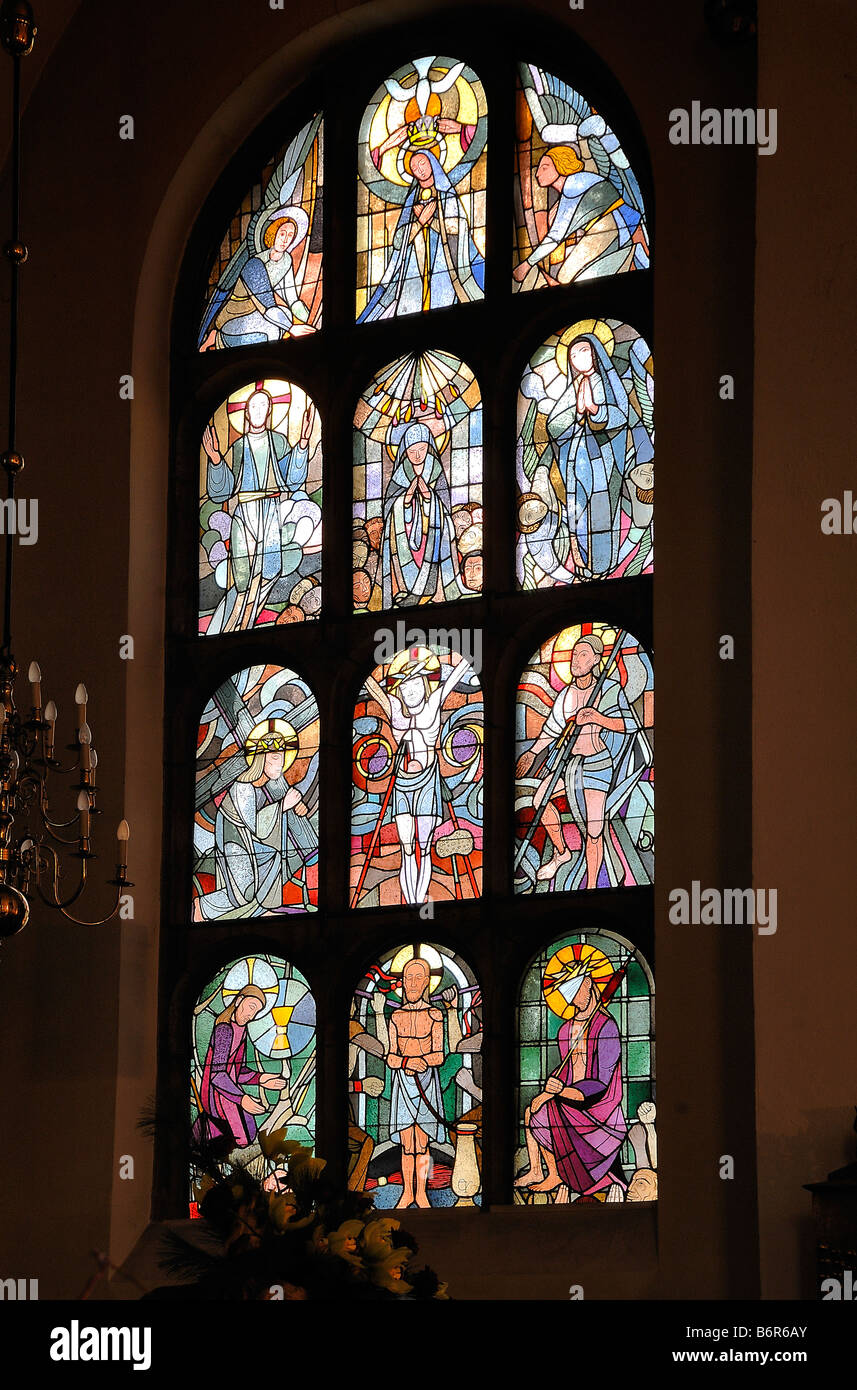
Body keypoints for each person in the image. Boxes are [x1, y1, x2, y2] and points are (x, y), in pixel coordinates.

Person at [516, 633, 634, 888]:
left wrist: (597, 717)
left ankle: (592, 887)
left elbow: (629, 724)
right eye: (574, 654)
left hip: (596, 764)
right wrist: (533, 752)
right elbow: (551, 729)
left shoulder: (608, 689)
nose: (575, 660)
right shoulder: (566, 695)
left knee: (594, 830)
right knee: (540, 799)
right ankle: (562, 852)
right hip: (568, 764)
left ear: (595, 660)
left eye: (582, 655)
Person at [203, 388, 320, 633]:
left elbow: (292, 480)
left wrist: (303, 444)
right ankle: (232, 623)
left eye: (263, 407)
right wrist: (215, 459)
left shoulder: (277, 441)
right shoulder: (238, 447)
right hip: (244, 514)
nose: (258, 411)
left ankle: (249, 620)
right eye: (253, 407)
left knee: (270, 569)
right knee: (243, 578)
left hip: (271, 513)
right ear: (246, 413)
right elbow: (222, 492)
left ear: (269, 412)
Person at [364, 648, 472, 904]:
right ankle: (410, 901)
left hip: (427, 782)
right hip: (401, 783)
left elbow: (455, 677)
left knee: (423, 848)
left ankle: (419, 900)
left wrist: (472, 652)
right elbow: (370, 685)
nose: (409, 690)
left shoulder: (434, 702)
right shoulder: (393, 707)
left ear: (425, 684)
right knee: (406, 848)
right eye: (403, 685)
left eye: (415, 683)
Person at [514, 968, 627, 1199]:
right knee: (531, 1111)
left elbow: (602, 1081)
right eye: (569, 996)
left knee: (550, 1111)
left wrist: (564, 1092)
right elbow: (566, 1070)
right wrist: (546, 1093)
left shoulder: (607, 1027)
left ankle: (582, 1176)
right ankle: (542, 1171)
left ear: (588, 983)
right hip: (568, 1096)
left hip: (597, 1104)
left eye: (576, 992)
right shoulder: (566, 1030)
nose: (574, 1001)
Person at [193, 720, 316, 919]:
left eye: (282, 758)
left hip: (246, 837)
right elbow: (257, 828)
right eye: (275, 758)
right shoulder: (243, 788)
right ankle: (201, 908)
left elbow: (265, 824)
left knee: (273, 855)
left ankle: (266, 905)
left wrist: (288, 806)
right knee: (242, 893)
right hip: (233, 837)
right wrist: (283, 806)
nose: (281, 764)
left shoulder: (259, 787)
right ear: (261, 760)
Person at [359, 149, 484, 321]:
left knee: (444, 305)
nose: (420, 169)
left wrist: (430, 221)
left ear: (432, 162)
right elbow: (398, 240)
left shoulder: (447, 194)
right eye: (414, 168)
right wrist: (418, 223)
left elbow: (458, 228)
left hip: (445, 266)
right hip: (414, 268)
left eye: (422, 163)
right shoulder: (411, 200)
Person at [544, 333, 630, 579]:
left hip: (604, 459)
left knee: (600, 506)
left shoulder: (608, 382)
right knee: (577, 509)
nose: (577, 358)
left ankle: (603, 564)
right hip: (575, 460)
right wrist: (575, 415)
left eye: (582, 351)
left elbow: (621, 415)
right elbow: (553, 424)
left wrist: (595, 410)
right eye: (572, 355)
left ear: (594, 352)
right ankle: (582, 561)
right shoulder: (573, 388)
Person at [513, 146, 643, 287]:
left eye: (545, 168)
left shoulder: (573, 187)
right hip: (615, 227)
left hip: (612, 226)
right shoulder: (575, 185)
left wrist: (527, 265)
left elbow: (555, 236)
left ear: (560, 165)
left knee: (565, 277)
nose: (538, 173)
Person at [200, 209, 316, 349]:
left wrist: (311, 320)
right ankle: (220, 337)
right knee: (272, 332)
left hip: (257, 313)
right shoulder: (254, 265)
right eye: (282, 233)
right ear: (273, 234)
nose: (285, 239)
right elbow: (267, 306)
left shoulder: (285, 261)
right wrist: (292, 328)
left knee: (285, 314)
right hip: (235, 317)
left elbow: (292, 300)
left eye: (290, 235)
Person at [380, 421, 467, 606]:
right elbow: (389, 506)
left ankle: (433, 591)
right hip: (404, 528)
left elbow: (444, 501)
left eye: (422, 448)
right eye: (412, 451)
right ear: (405, 451)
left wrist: (429, 497)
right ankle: (408, 589)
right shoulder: (400, 472)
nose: (417, 455)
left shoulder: (435, 467)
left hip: (434, 529)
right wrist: (407, 497)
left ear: (429, 446)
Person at [194, 984, 287, 1150]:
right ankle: (203, 1134)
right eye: (251, 1007)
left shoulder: (241, 1030)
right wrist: (242, 1099)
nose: (251, 1015)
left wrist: (262, 1079)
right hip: (216, 1095)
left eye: (256, 1012)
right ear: (238, 1001)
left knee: (250, 1132)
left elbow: (239, 1070)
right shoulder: (224, 1029)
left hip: (230, 1090)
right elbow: (217, 1075)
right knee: (243, 1139)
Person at [387, 958, 446, 1208]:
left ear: (425, 983)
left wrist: (420, 1060)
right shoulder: (396, 1016)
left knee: (422, 1143)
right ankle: (407, 1192)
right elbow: (390, 1056)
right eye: (407, 978)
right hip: (403, 1082)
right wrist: (404, 1062)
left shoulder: (435, 1015)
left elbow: (440, 1054)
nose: (411, 983)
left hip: (426, 1083)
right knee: (406, 1143)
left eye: (416, 978)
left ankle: (421, 1192)